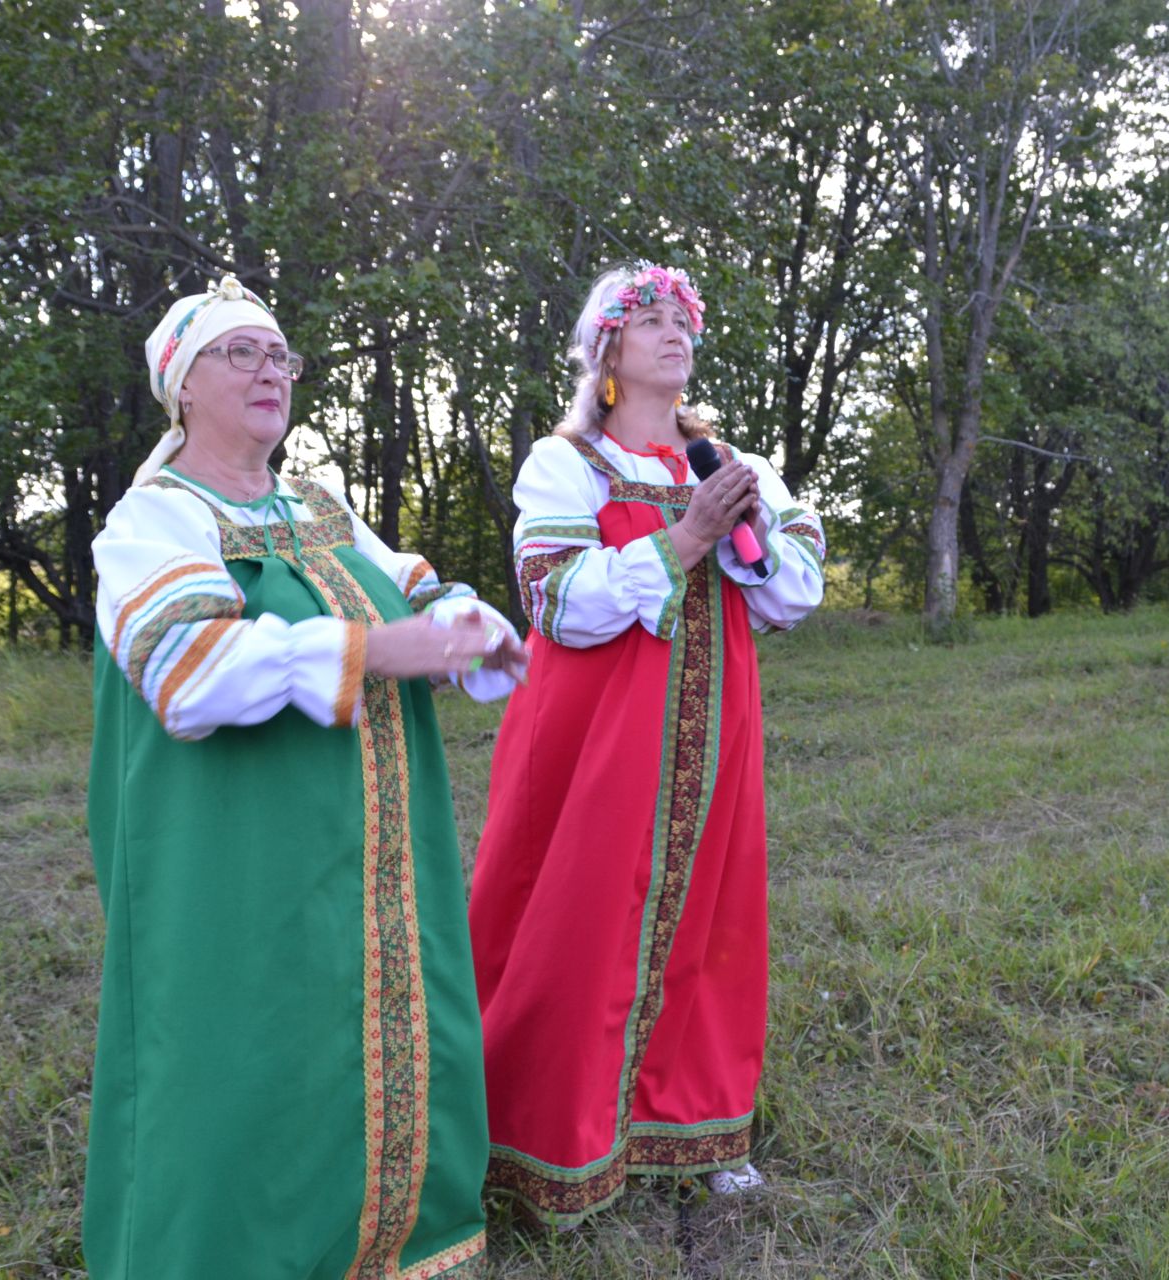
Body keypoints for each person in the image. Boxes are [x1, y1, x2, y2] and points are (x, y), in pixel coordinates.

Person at [82, 274, 523, 1279]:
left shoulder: (315, 503)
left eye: (281, 355)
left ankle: (387, 1238)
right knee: (253, 1044)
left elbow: (412, 583)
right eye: (242, 353)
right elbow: (187, 672)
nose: (271, 371)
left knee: (357, 1030)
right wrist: (379, 648)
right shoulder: (155, 520)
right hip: (238, 849)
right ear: (181, 385)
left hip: (366, 840)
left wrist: (469, 623)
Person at [467, 263, 826, 1227]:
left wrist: (744, 527)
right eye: (652, 319)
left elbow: (795, 593)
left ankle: (698, 1126)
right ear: (607, 352)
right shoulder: (567, 464)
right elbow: (556, 604)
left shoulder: (729, 462)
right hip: (592, 741)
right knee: (574, 916)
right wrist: (681, 543)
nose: (676, 332)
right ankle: (545, 1138)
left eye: (684, 320)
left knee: (710, 918)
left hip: (713, 736)